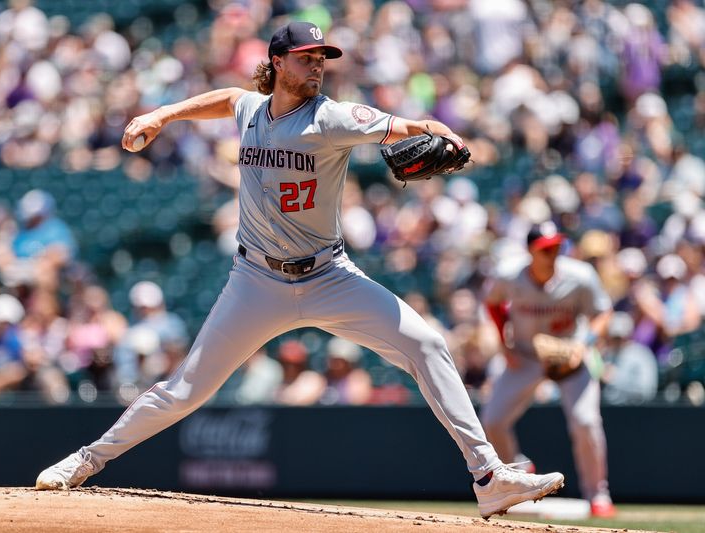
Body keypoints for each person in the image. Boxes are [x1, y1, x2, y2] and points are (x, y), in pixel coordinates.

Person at [35, 21, 564, 519]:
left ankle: (488, 476)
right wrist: (161, 115)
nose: (317, 66)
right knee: (184, 391)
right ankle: (85, 460)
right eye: (306, 57)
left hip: (328, 276)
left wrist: (436, 129)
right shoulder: (252, 110)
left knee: (427, 345)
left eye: (322, 58)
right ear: (276, 61)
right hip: (256, 282)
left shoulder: (330, 117)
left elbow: (402, 125)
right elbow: (228, 99)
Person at [481, 222, 616, 518]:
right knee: (493, 420)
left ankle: (599, 495)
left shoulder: (580, 276)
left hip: (570, 356)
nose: (553, 253)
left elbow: (602, 312)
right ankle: (519, 470)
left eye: (556, 246)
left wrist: (586, 343)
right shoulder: (509, 275)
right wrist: (505, 344)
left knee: (586, 422)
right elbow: (492, 303)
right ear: (531, 250)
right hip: (527, 356)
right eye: (545, 249)